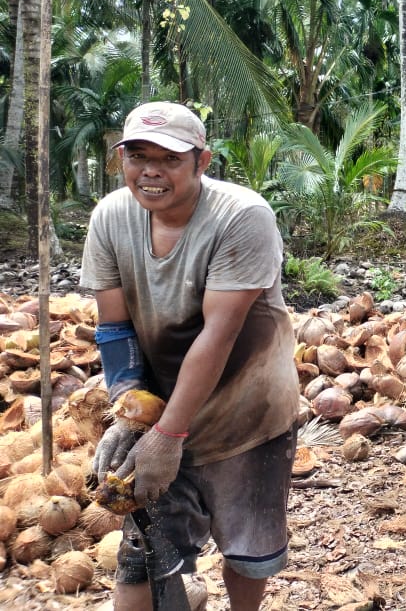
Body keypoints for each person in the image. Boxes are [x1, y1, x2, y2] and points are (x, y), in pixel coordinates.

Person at [81, 102, 299, 611]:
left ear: (202, 161)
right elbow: (114, 326)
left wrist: (169, 435)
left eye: (170, 159)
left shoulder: (241, 216)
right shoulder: (110, 218)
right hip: (162, 406)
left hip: (247, 412)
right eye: (138, 157)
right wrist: (130, 408)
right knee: (143, 558)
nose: (151, 171)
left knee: (247, 552)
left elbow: (219, 334)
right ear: (121, 160)